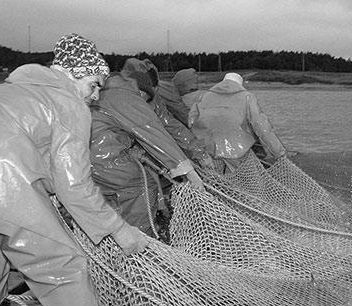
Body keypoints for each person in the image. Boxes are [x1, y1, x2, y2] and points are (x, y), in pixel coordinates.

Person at [0, 33, 148, 306]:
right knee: (61, 264)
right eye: (93, 85)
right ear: (73, 74)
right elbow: (75, 187)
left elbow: (23, 148)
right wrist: (119, 230)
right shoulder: (69, 103)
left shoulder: (0, 91)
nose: (95, 96)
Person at [89, 69, 204, 240]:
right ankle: (142, 245)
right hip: (104, 160)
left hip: (83, 160)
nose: (145, 104)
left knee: (109, 199)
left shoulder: (104, 91)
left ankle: (114, 238)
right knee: (142, 186)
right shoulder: (126, 96)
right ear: (142, 91)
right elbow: (150, 130)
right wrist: (187, 170)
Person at [121, 58, 215, 170]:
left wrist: (200, 153)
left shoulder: (154, 100)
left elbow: (171, 125)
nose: (148, 98)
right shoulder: (107, 99)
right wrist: (126, 152)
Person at [188, 72, 286, 173]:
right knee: (244, 180)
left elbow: (191, 121)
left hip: (209, 148)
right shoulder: (247, 97)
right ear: (240, 84)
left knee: (215, 179)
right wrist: (278, 152)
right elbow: (262, 127)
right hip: (238, 150)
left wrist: (198, 148)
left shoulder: (204, 96)